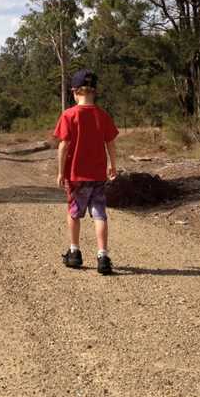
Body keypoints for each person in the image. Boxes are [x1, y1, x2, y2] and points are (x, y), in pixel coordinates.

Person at [53, 69, 119, 275]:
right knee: (100, 215)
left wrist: (60, 172)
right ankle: (103, 256)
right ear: (94, 92)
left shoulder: (69, 115)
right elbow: (110, 143)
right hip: (98, 175)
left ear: (74, 92)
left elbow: (63, 146)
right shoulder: (103, 115)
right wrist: (113, 165)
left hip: (76, 176)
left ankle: (74, 253)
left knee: (74, 213)